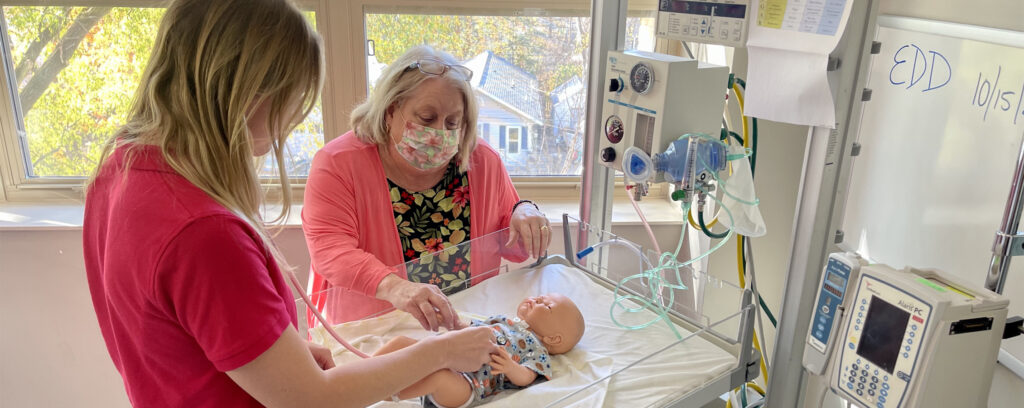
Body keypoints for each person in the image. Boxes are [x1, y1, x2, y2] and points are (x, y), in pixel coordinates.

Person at [83, 1, 498, 407]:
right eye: (292, 99)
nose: (288, 122)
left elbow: (182, 327)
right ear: (247, 92)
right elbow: (311, 400)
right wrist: (441, 352)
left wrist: (278, 349)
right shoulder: (205, 232)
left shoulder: (121, 165)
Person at [302, 45, 553, 331]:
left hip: (463, 322)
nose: (439, 133)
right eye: (426, 118)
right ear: (390, 110)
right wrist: (396, 288)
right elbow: (331, 251)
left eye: (452, 122)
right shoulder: (338, 164)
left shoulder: (480, 160)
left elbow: (510, 238)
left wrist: (525, 213)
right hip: (373, 331)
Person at [373, 294, 586, 408]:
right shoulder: (502, 321)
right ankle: (366, 369)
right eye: (540, 296)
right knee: (401, 342)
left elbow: (528, 377)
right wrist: (453, 324)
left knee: (439, 377)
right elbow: (472, 331)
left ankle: (381, 394)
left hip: (468, 384)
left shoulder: (537, 350)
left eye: (546, 306)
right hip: (443, 356)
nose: (536, 299)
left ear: (553, 338)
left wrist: (511, 367)